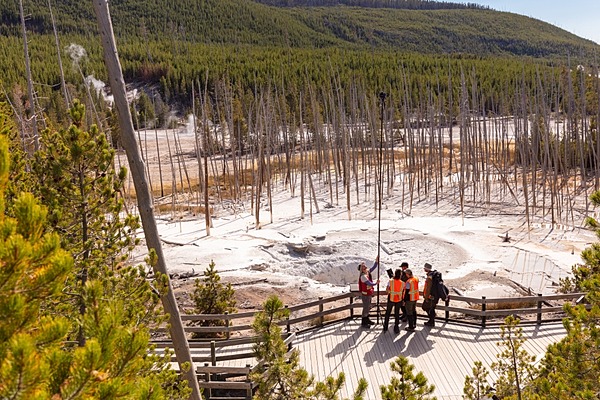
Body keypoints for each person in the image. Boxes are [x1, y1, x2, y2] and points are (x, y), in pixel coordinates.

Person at [358, 256, 379, 328]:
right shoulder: (363, 276)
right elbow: (369, 283)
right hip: (365, 294)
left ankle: (367, 319)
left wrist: (376, 261)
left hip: (368, 293)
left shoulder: (367, 273)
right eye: (364, 267)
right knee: (366, 308)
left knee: (368, 307)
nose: (365, 267)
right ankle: (364, 322)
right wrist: (376, 283)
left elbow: (374, 267)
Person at [383, 268, 404, 333]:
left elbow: (387, 290)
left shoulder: (390, 281)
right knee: (397, 313)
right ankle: (396, 327)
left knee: (388, 312)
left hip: (391, 298)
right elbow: (403, 292)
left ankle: (385, 326)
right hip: (399, 299)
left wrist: (390, 292)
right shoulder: (402, 283)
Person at [423, 262, 440, 327]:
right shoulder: (433, 276)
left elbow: (428, 288)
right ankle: (431, 321)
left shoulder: (429, 277)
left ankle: (431, 320)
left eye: (424, 268)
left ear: (426, 269)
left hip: (430, 297)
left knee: (425, 307)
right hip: (435, 296)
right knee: (431, 308)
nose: (424, 269)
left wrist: (426, 297)